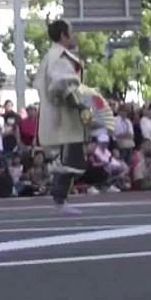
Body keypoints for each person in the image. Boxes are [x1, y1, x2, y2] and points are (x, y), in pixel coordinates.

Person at [33, 19, 87, 215]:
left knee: (74, 159)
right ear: (63, 35)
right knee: (71, 160)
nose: (72, 36)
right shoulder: (58, 57)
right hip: (62, 119)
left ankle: (60, 198)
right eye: (70, 32)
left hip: (62, 119)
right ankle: (55, 186)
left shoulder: (54, 56)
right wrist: (78, 103)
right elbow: (60, 85)